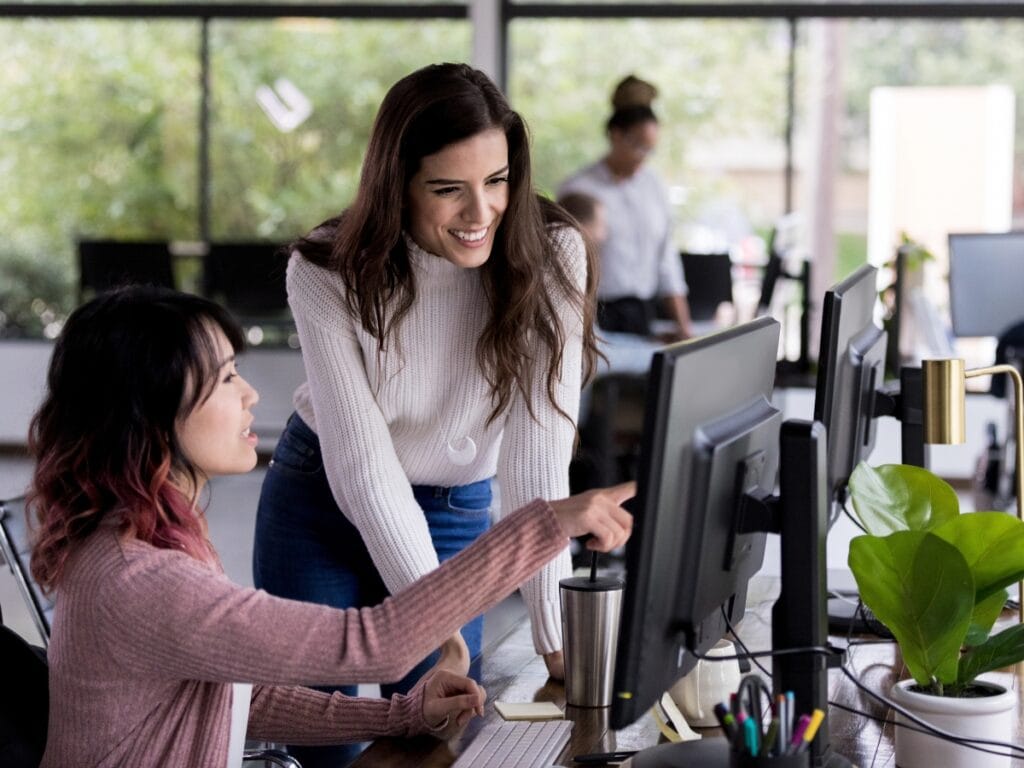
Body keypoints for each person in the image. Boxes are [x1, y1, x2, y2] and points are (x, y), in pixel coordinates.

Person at [27, 285, 634, 767]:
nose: (251, 395)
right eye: (226, 378)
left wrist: (399, 717)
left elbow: (236, 698)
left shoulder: (153, 534)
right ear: (152, 411)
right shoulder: (140, 577)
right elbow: (373, 644)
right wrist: (547, 523)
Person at [251, 62, 603, 766]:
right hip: (320, 503)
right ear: (398, 184)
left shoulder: (553, 254)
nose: (481, 213)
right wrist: (437, 621)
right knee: (328, 745)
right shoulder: (324, 270)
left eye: (497, 181)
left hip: (452, 510)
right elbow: (365, 471)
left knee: (435, 739)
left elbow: (538, 455)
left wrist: (555, 636)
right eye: (448, 190)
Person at [559, 74, 693, 340]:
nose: (644, 158)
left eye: (650, 150)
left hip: (644, 313)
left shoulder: (654, 186)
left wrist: (684, 327)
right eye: (639, 147)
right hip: (595, 315)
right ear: (616, 135)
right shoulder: (579, 189)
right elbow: (565, 265)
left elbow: (666, 259)